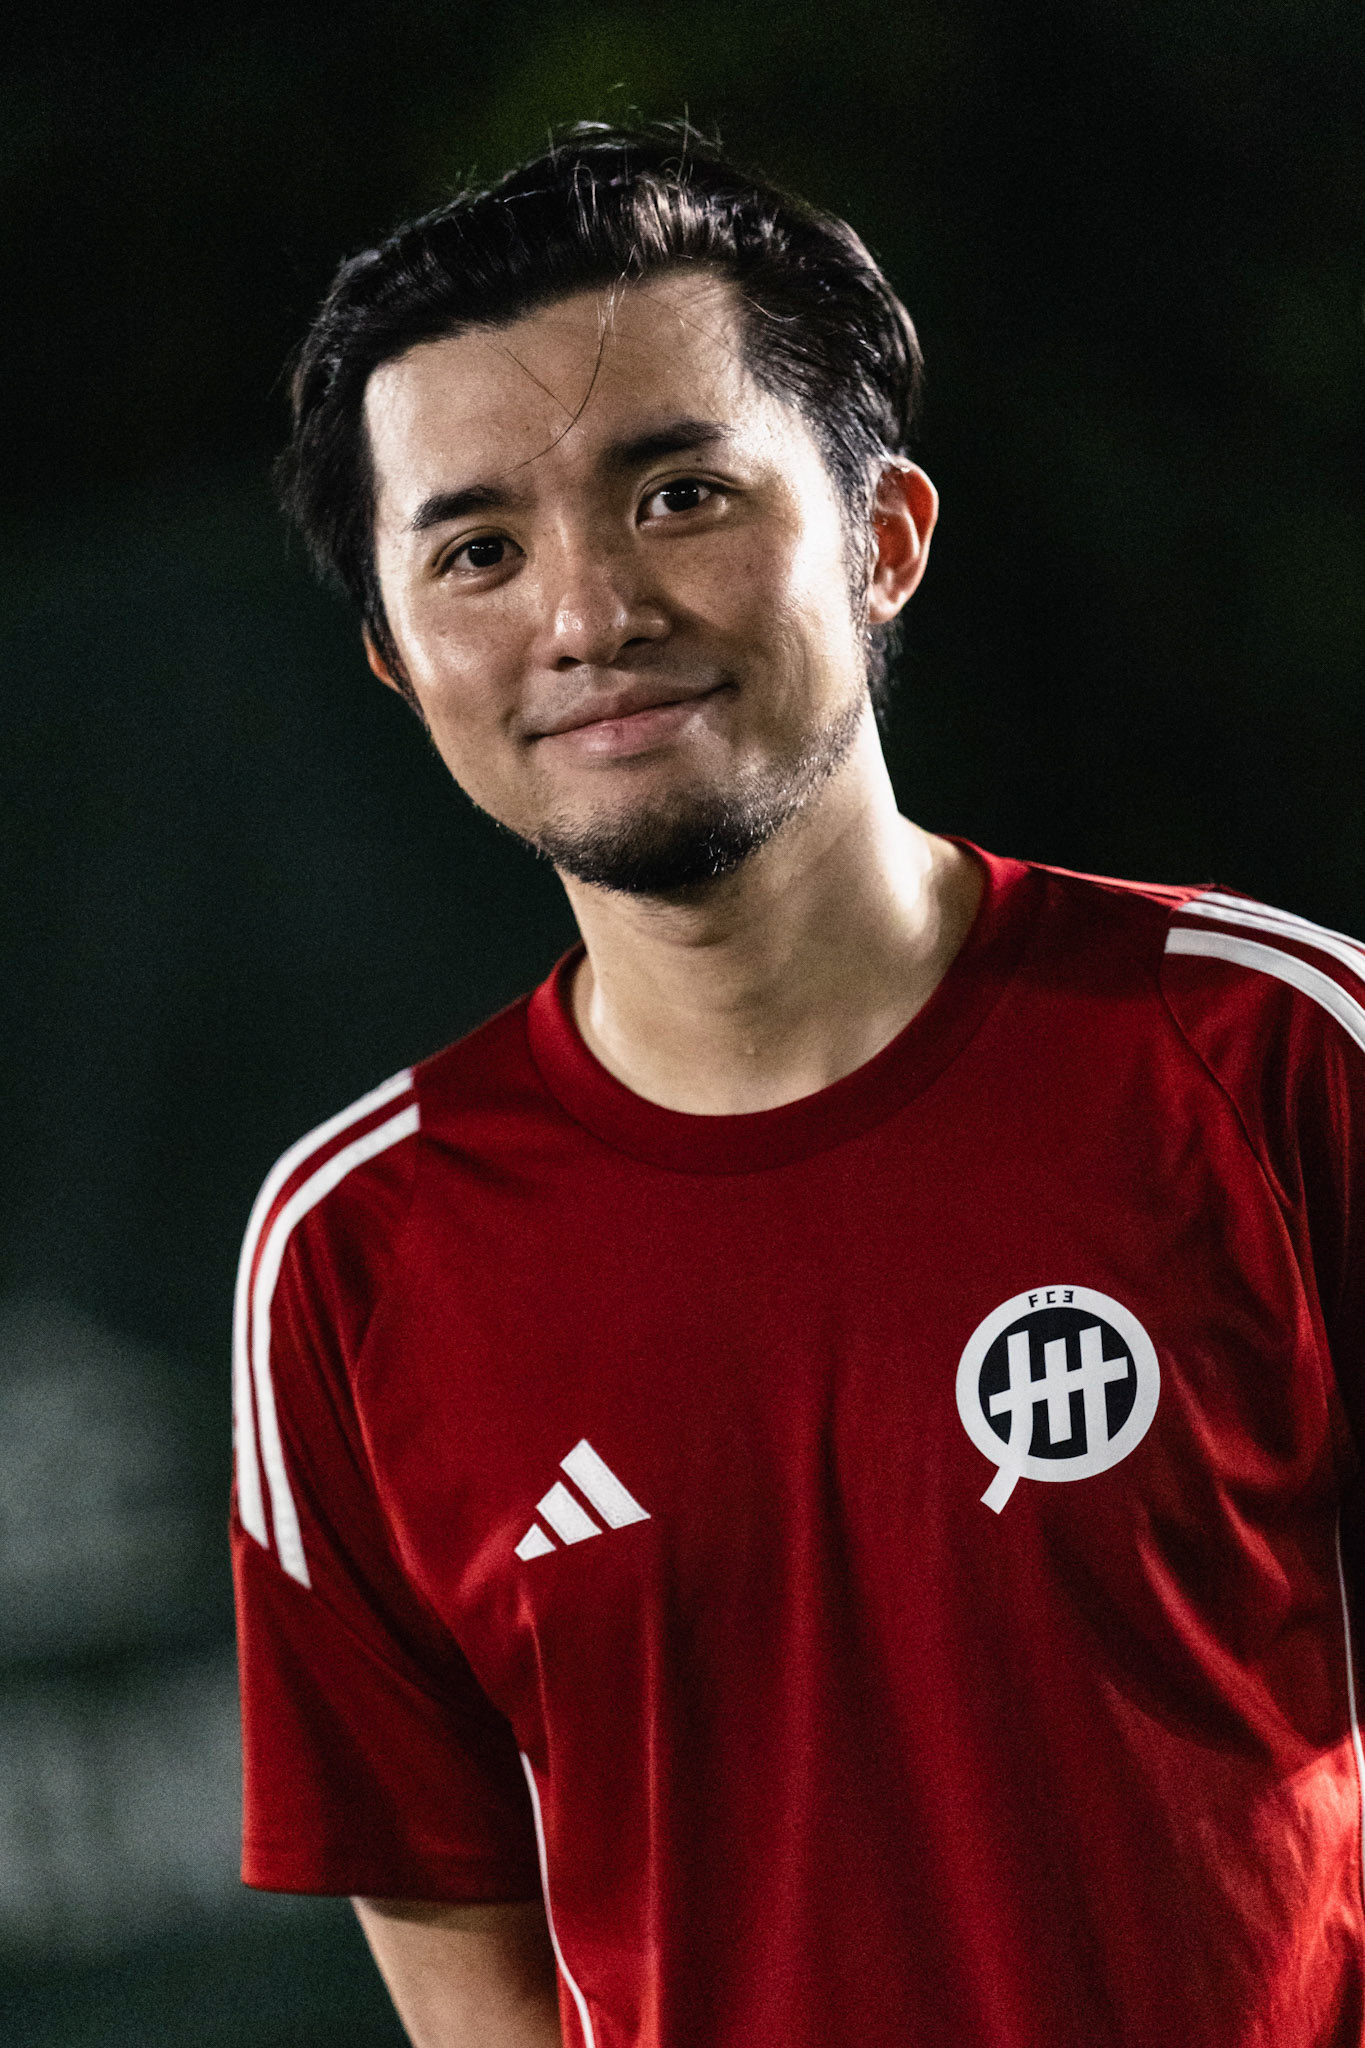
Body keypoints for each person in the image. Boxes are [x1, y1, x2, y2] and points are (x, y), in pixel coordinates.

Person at [231, 123, 1365, 2048]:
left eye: (677, 493)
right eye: (479, 549)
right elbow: (456, 1933)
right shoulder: (351, 1258)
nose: (586, 615)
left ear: (883, 534)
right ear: (397, 664)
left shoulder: (1266, 1051)